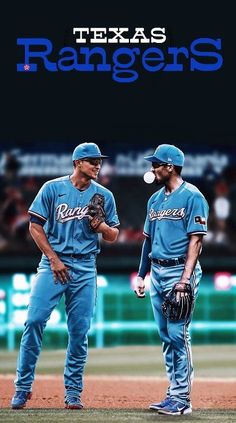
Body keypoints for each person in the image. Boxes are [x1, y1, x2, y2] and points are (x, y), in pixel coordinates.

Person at [11, 142, 120, 410]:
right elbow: (35, 226)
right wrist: (54, 258)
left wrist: (101, 225)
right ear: (77, 163)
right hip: (53, 264)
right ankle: (23, 388)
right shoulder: (52, 188)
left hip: (85, 266)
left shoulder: (104, 195)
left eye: (99, 161)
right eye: (92, 160)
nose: (98, 165)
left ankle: (73, 391)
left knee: (79, 332)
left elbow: (114, 236)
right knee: (34, 321)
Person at [134, 144, 209, 416]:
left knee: (179, 334)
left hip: (179, 271)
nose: (152, 168)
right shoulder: (154, 200)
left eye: (156, 164)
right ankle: (174, 392)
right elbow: (148, 240)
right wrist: (141, 274)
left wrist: (185, 279)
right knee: (166, 336)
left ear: (170, 166)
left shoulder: (192, 196)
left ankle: (182, 399)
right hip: (157, 270)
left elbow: (196, 241)